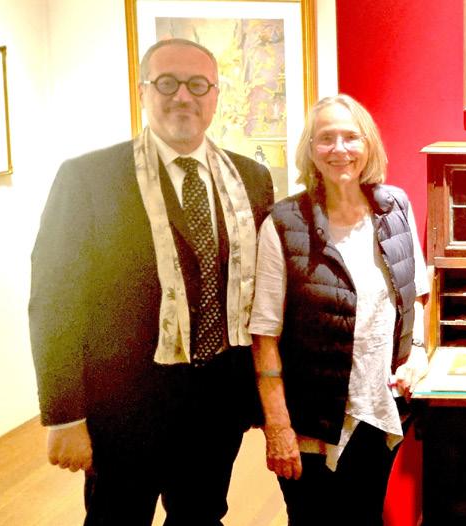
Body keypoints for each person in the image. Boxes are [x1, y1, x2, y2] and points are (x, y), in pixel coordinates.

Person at [29, 38, 274, 525]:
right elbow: (54, 300)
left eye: (197, 85)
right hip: (124, 408)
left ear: (215, 96)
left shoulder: (251, 178)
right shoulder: (89, 179)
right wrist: (65, 415)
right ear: (142, 91)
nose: (183, 96)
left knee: (202, 516)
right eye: (167, 83)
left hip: (214, 406)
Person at [248, 94, 430, 526]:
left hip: (379, 409)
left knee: (366, 516)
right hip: (310, 421)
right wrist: (278, 427)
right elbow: (264, 334)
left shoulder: (395, 207)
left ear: (368, 144)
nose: (340, 149)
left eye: (351, 137)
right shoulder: (283, 223)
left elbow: (416, 295)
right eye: (326, 138)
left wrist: (418, 353)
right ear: (310, 149)